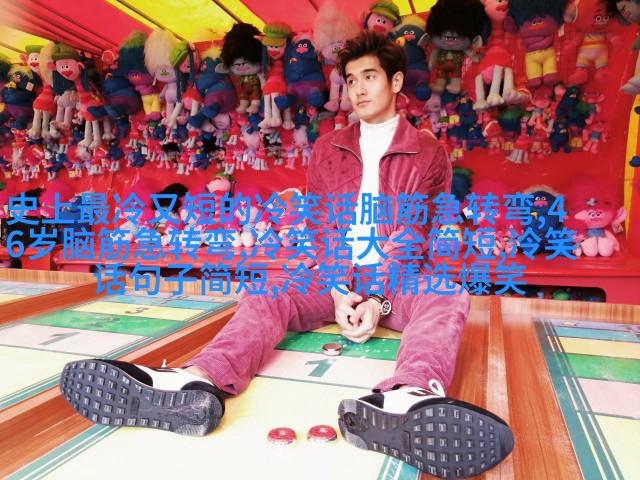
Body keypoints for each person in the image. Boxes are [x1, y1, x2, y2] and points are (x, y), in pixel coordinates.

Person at [59, 30, 514, 479]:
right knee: (270, 291)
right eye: (351, 80)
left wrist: (378, 300)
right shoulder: (329, 146)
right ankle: (199, 379)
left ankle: (409, 398)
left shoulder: (428, 151)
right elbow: (320, 225)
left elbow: (415, 233)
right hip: (333, 275)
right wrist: (336, 288)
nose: (358, 89)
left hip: (395, 278)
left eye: (369, 77)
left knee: (446, 294)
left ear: (395, 82)